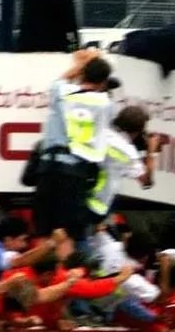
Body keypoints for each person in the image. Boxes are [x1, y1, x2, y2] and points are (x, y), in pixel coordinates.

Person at [32, 50, 116, 246]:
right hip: (75, 172)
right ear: (103, 83)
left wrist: (81, 64)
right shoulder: (106, 105)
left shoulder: (61, 92)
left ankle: (42, 262)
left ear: (83, 75)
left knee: (43, 230)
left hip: (48, 168)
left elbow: (61, 80)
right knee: (70, 233)